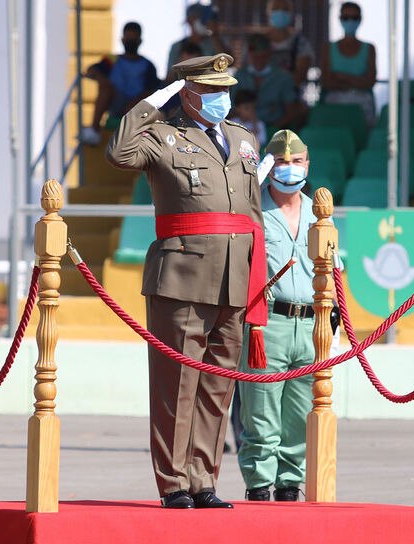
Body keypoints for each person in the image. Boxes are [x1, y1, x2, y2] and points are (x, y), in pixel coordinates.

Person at [106, 54, 272, 510]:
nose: (222, 98)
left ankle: (204, 480)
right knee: (177, 385)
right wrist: (153, 102)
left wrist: (257, 278)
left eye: (226, 90)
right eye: (212, 91)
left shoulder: (242, 139)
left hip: (234, 279)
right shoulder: (162, 137)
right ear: (188, 93)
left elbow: (252, 214)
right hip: (181, 278)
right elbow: (119, 152)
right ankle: (174, 482)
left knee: (217, 387)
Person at [237, 129, 321, 503]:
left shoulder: (320, 213)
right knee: (261, 416)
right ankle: (258, 486)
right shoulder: (252, 209)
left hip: (311, 324)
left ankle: (290, 484)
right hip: (267, 322)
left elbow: (332, 268)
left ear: (308, 164)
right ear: (269, 167)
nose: (290, 168)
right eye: (282, 162)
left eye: (297, 161)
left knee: (300, 418)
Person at [80, 22, 161, 146]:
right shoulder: (112, 59)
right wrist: (102, 79)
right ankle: (94, 130)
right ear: (122, 39)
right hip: (115, 102)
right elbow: (92, 70)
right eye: (128, 38)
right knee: (105, 88)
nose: (130, 42)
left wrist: (134, 104)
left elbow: (151, 89)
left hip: (136, 106)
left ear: (139, 41)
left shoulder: (148, 65)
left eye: (133, 39)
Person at [320, 1, 378, 126]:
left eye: (354, 17)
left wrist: (341, 77)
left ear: (360, 19)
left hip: (363, 105)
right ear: (340, 19)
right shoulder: (328, 48)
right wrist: (357, 81)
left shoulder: (369, 48)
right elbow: (326, 81)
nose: (350, 21)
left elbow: (370, 81)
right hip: (334, 104)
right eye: (346, 17)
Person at [234, 34, 304, 131]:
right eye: (255, 56)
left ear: (270, 54)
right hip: (243, 129)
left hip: (274, 129)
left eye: (263, 56)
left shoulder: (283, 77)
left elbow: (291, 111)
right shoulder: (240, 76)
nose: (259, 60)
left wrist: (271, 130)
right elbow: (231, 108)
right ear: (249, 54)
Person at [166, 4, 231, 71]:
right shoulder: (177, 47)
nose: (206, 23)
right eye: (200, 18)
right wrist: (182, 64)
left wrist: (215, 35)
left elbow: (229, 64)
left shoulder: (215, 42)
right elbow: (169, 76)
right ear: (189, 21)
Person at [266, 0, 316, 88]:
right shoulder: (258, 41)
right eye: (276, 9)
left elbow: (299, 77)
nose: (280, 12)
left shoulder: (301, 43)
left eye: (285, 9)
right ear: (268, 12)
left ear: (291, 14)